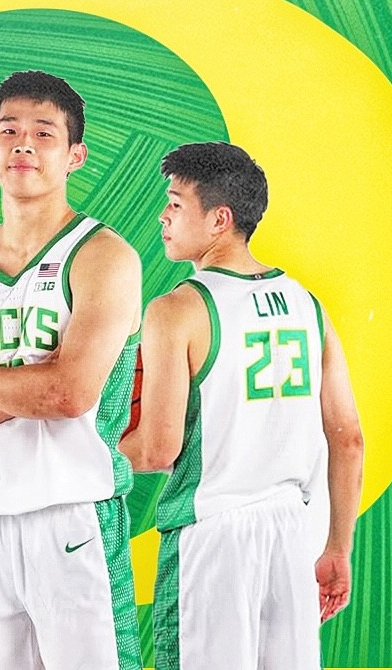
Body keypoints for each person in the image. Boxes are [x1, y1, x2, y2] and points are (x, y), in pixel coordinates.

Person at [0, 71, 143, 669]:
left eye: (44, 133)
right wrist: (28, 388)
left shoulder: (104, 255)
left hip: (74, 514)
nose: (24, 145)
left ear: (74, 156)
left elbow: (69, 394)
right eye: (10, 131)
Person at [119, 142, 365, 670]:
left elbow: (158, 449)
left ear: (219, 220)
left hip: (212, 538)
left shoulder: (176, 310)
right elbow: (348, 438)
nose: (163, 215)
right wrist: (337, 549)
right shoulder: (307, 304)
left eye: (176, 204)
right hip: (292, 534)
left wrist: (84, 453)